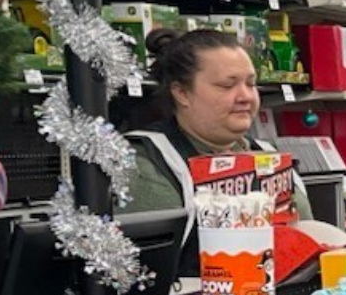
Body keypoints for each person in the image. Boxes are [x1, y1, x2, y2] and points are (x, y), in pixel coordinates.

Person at [123, 28, 311, 266]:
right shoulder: (148, 163)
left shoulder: (270, 159)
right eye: (226, 85)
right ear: (182, 93)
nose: (245, 96)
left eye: (251, 84)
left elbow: (308, 237)